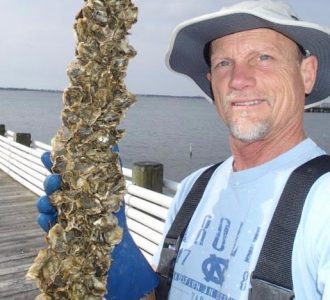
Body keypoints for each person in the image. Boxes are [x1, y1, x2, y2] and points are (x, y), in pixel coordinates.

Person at [38, 0, 330, 299]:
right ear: (211, 82)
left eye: (264, 57)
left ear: (307, 73)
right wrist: (117, 256)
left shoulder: (323, 202)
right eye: (223, 63)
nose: (239, 79)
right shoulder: (194, 188)